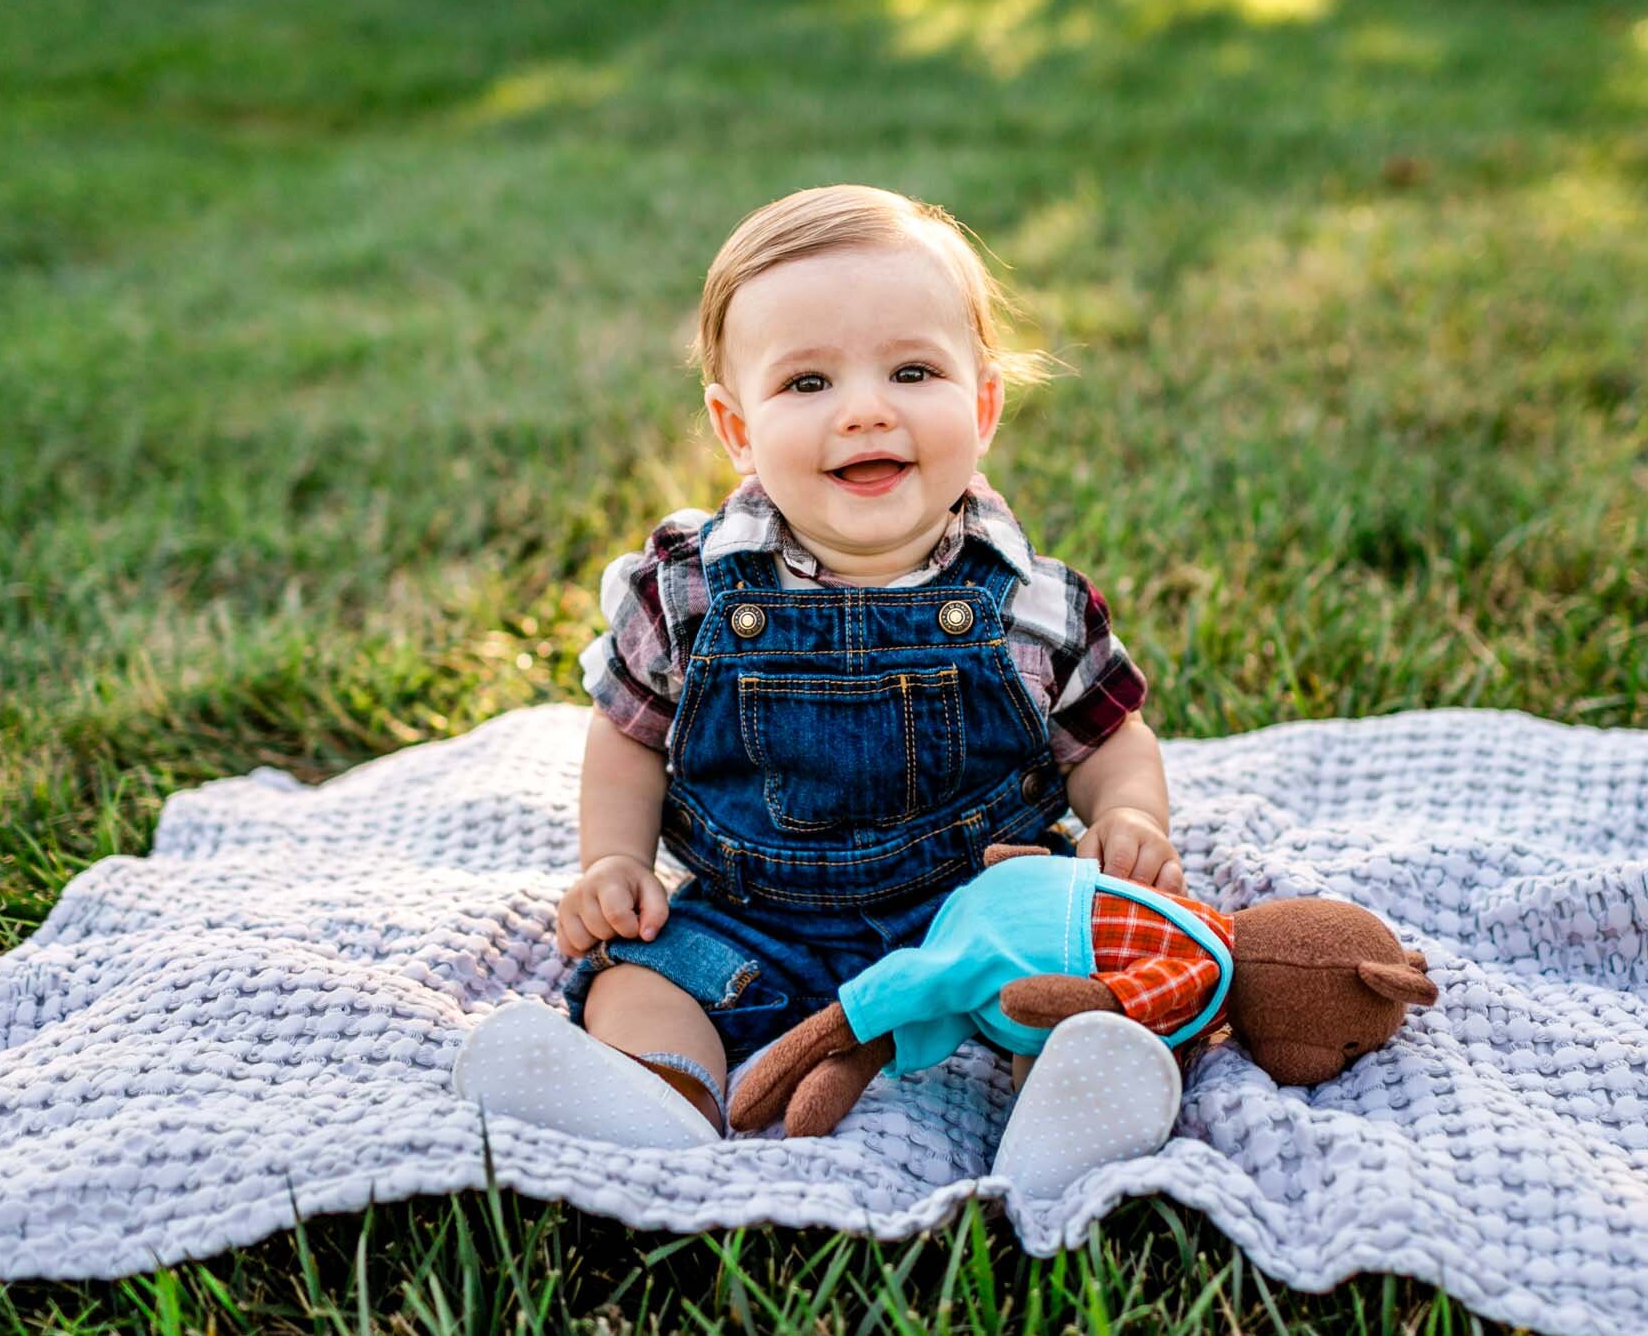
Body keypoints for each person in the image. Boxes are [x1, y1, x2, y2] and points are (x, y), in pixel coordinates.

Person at [454, 185, 1190, 1184]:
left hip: (975, 918)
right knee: (640, 979)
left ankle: (1068, 1108)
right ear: (736, 429)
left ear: (980, 404)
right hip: (754, 920)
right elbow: (625, 731)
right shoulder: (687, 590)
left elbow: (1105, 737)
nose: (864, 409)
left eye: (911, 370)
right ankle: (657, 1098)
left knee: (1091, 961)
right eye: (806, 384)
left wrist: (1129, 815)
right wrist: (611, 863)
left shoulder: (1028, 604)